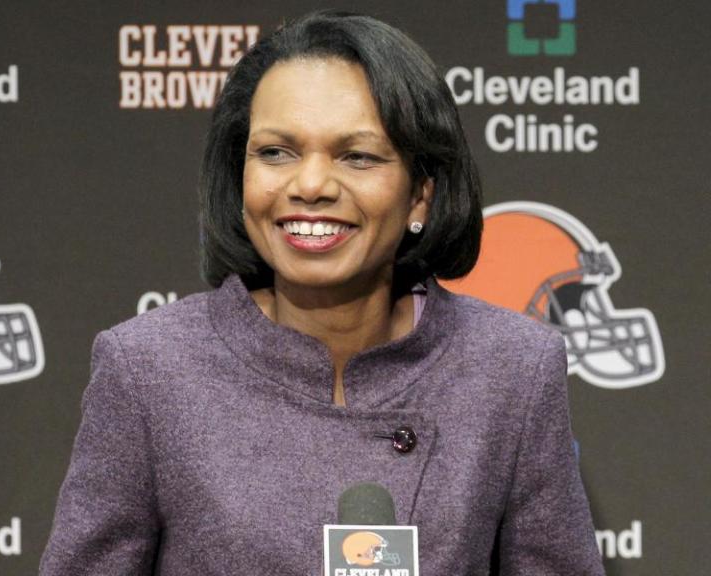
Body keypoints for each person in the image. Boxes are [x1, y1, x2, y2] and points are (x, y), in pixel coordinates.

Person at [39, 10, 605, 576]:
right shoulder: (147, 371)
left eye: (357, 156)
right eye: (275, 152)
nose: (309, 185)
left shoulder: (512, 370)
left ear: (420, 197)